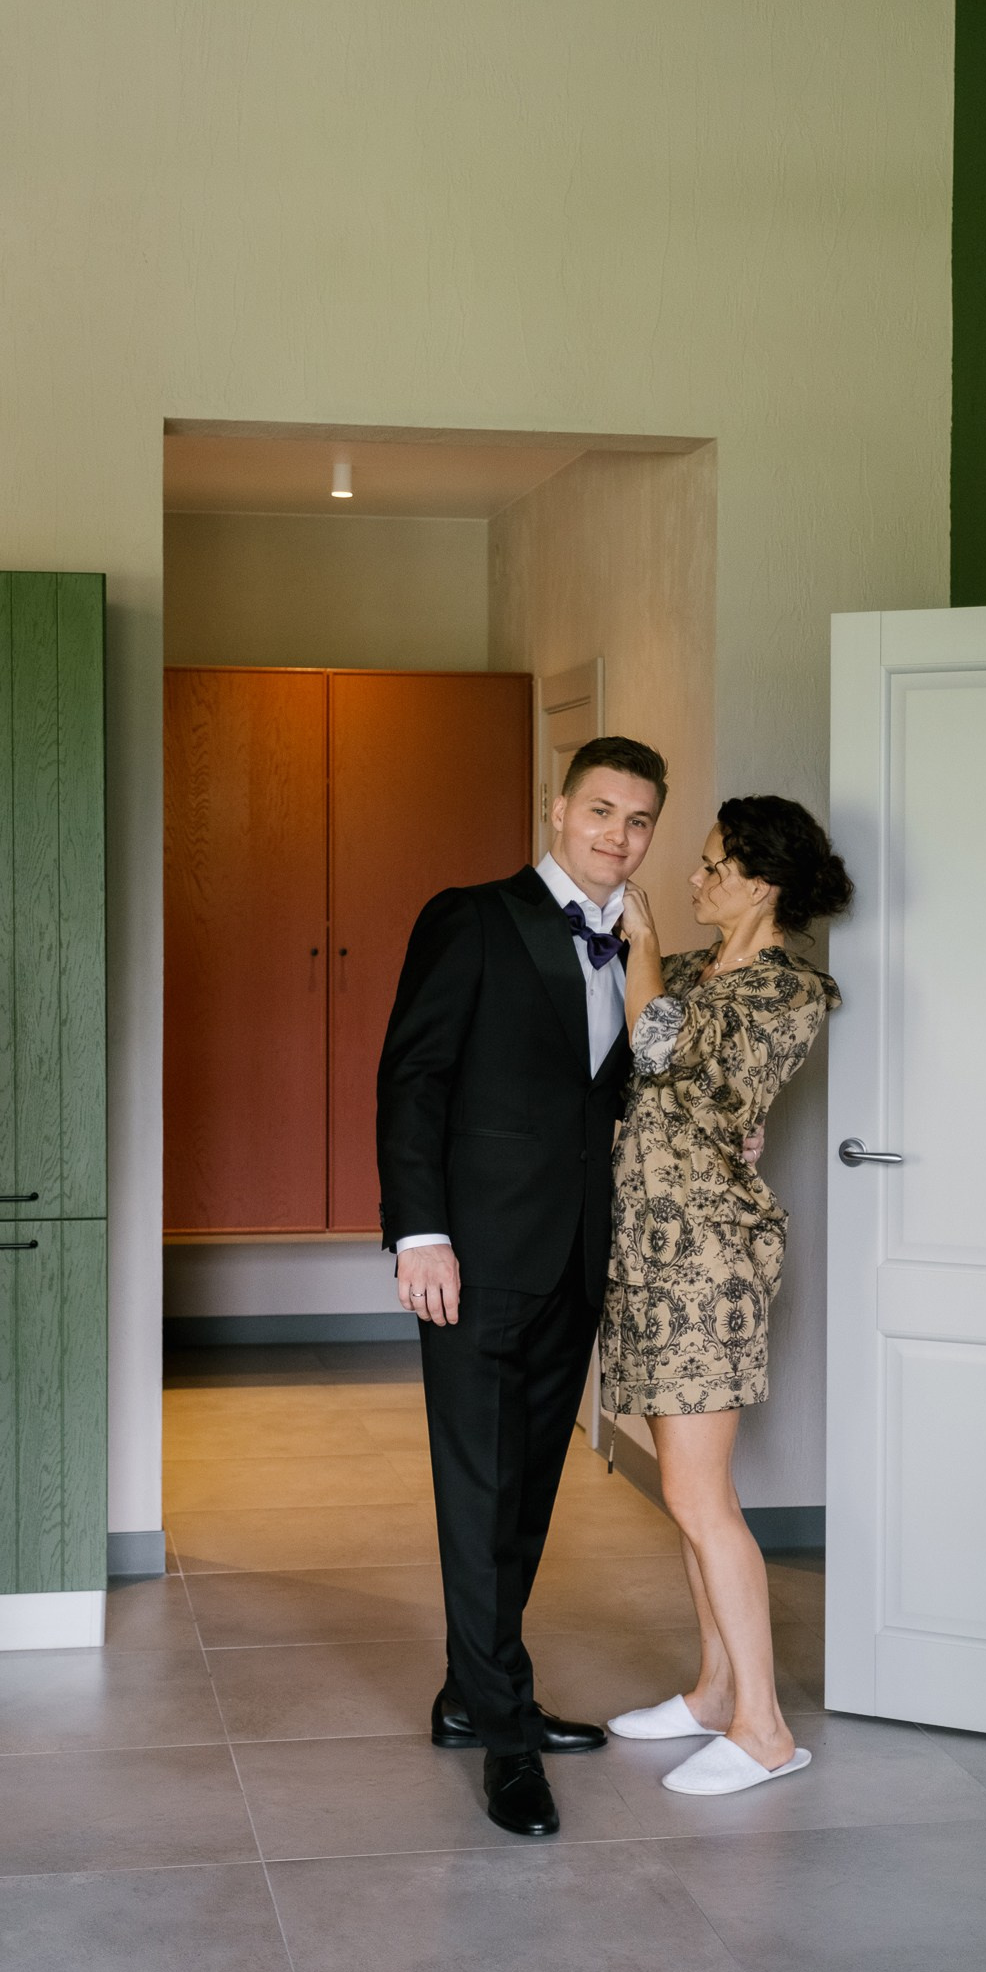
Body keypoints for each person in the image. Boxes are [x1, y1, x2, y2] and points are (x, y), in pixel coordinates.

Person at [375, 736, 668, 1838]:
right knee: (478, 1493)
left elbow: (637, 1086)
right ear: (556, 808)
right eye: (600, 810)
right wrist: (420, 1234)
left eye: (638, 821)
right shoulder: (473, 917)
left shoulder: (638, 946)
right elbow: (413, 1079)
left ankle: (474, 1690)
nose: (617, 836)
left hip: (576, 1258)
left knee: (527, 1491)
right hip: (478, 1256)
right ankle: (504, 1739)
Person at [601, 794, 851, 1794]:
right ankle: (713, 1693)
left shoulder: (788, 989)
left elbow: (659, 1047)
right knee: (689, 1491)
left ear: (762, 884)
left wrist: (641, 942)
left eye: (713, 866)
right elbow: (648, 1083)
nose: (695, 878)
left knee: (698, 1495)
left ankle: (763, 1728)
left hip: (708, 1258)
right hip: (647, 1251)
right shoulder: (695, 971)